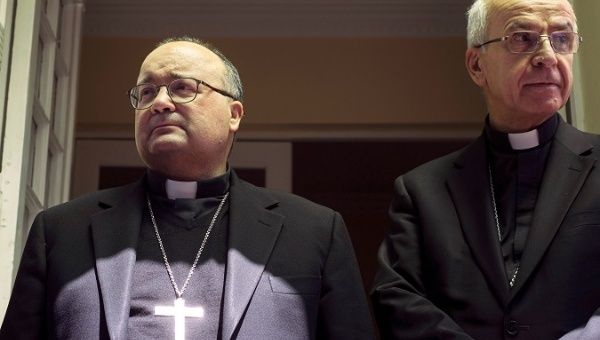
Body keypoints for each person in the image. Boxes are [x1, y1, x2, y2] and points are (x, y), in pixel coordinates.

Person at [0, 37, 374, 339]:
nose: (160, 103)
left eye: (182, 88)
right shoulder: (62, 231)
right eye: (146, 93)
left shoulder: (313, 231)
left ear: (234, 115)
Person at [371, 0, 600, 339]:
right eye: (522, 37)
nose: (548, 56)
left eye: (562, 38)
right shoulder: (422, 190)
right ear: (476, 65)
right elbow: (396, 298)